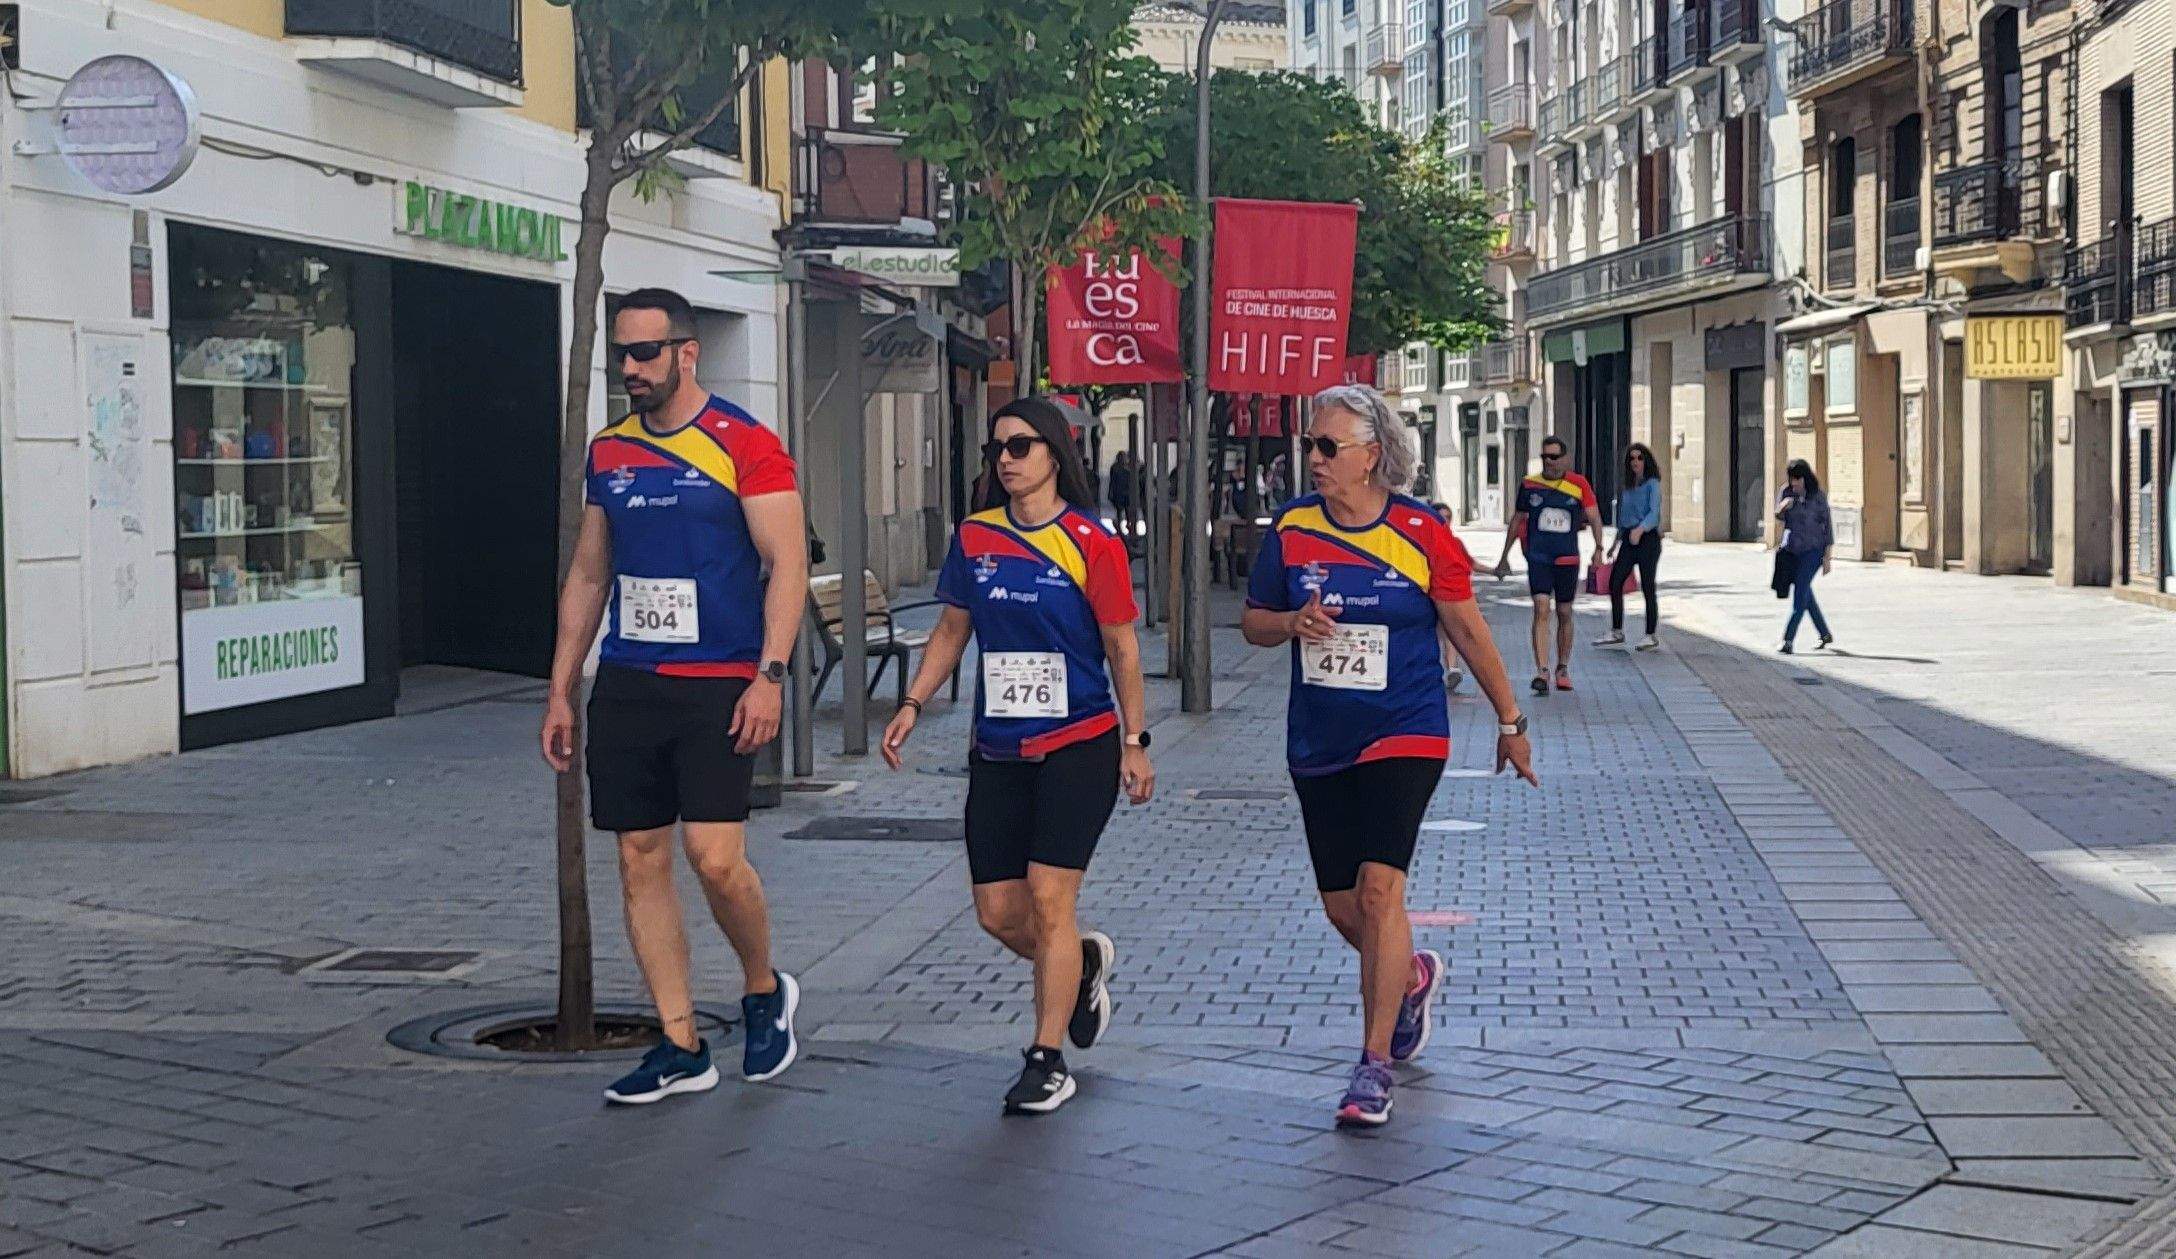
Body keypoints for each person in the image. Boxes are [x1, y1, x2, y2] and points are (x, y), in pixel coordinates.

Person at [1243, 384, 1538, 1129]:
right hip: (1319, 737)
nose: (1312, 458)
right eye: (1310, 444)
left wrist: (1510, 717)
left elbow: (1468, 631)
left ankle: (1372, 1064)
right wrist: (1289, 620)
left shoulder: (1420, 532)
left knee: (1381, 893)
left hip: (1406, 728)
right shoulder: (1290, 529)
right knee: (1347, 908)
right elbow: (1252, 622)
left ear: (1373, 456)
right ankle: (1409, 978)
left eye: (1327, 446)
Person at [542, 288, 804, 1105]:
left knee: (715, 858)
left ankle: (764, 989)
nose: (630, 369)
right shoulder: (609, 452)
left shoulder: (745, 444)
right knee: (637, 856)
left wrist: (771, 672)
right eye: (620, 354)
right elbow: (591, 571)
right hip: (630, 682)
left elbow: (787, 564)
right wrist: (561, 689)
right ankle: (680, 1041)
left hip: (721, 682)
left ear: (688, 353)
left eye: (645, 353)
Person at [882, 397, 1155, 1117]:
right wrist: (912, 702)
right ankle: (1084, 963)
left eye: (1021, 445)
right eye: (996, 448)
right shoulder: (975, 538)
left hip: (1080, 742)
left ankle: (1045, 1056)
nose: (1006, 459)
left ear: (1055, 454)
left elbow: (1122, 646)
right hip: (998, 746)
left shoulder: (1091, 541)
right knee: (999, 913)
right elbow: (950, 628)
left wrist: (1136, 739)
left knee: (1047, 895)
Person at [1491, 436, 1605, 695]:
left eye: (1554, 457)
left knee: (1564, 612)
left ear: (1564, 459)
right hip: (1539, 557)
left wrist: (1598, 548)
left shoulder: (1578, 484)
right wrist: (1504, 555)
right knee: (1541, 608)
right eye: (1545, 457)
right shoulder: (1530, 485)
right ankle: (1541, 670)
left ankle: (1562, 668)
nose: (1549, 462)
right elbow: (1518, 519)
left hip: (1567, 558)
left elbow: (1594, 517)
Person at [1593, 443, 1663, 651]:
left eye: (1640, 458)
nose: (1635, 462)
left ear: (1646, 461)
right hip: (1628, 540)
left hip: (1647, 539)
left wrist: (1641, 530)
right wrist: (1615, 544)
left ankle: (1650, 634)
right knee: (1615, 582)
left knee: (1648, 586)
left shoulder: (1652, 484)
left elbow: (1654, 513)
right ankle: (1616, 630)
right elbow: (1623, 518)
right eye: (1632, 459)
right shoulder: (1628, 488)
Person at [1776, 458, 1835, 654]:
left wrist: (1827, 557)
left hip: (1813, 551)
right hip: (1791, 551)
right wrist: (1783, 507)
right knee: (1805, 594)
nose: (1794, 483)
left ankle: (1788, 640)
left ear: (1805, 477)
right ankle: (1825, 633)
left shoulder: (1817, 496)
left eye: (1798, 479)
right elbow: (1778, 515)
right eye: (1792, 479)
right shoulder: (1786, 492)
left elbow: (1827, 526)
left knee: (1800, 594)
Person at [1429, 501, 1469, 694]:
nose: (1445, 522)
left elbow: (1469, 564)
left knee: (1448, 629)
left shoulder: (1455, 543)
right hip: (1422, 596)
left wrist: (1497, 570)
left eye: (1448, 518)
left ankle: (1452, 668)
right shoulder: (1419, 539)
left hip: (1444, 596)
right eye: (1441, 518)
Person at [1107, 450, 1138, 541]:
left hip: (1123, 493)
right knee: (1121, 512)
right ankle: (1124, 527)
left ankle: (1127, 527)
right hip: (1121, 492)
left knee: (1125, 512)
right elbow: (1112, 481)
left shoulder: (1120, 467)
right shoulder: (1119, 468)